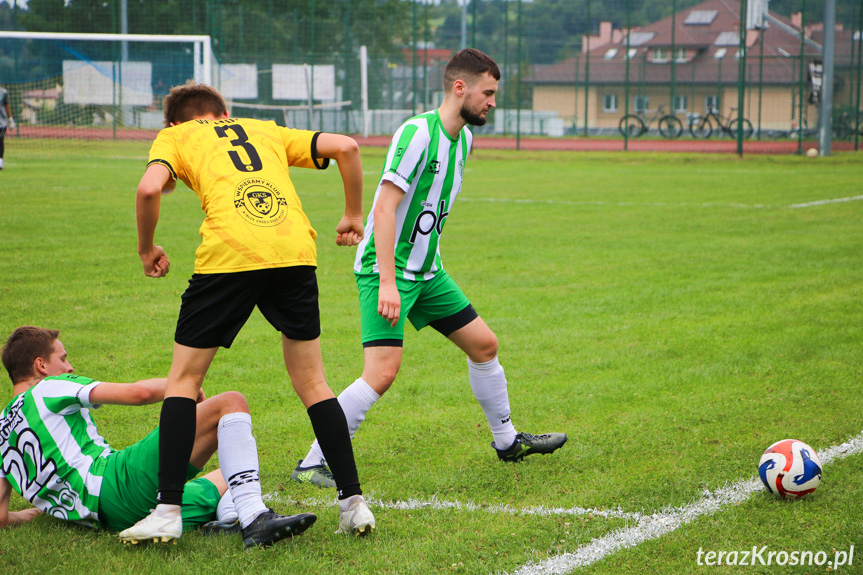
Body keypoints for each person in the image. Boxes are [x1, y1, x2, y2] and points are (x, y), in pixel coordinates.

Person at [291, 49, 567, 489]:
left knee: (484, 345)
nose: (492, 102)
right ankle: (313, 462)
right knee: (380, 373)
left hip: (428, 272)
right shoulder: (417, 133)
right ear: (460, 88)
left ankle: (507, 442)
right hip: (389, 271)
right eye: (488, 93)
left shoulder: (465, 140)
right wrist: (386, 281)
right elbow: (384, 210)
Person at [126, 82, 374, 542]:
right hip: (294, 250)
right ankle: (354, 503)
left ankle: (166, 511)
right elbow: (347, 146)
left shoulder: (176, 137)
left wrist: (147, 250)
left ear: (175, 122)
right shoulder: (263, 129)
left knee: (184, 381)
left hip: (230, 254)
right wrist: (353, 215)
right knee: (314, 383)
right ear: (225, 113)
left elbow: (147, 189)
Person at [0, 326, 316, 549]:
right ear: (40, 366)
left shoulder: (1, 429)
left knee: (228, 474)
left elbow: (1, 517)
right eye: (63, 359)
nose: (70, 367)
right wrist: (182, 386)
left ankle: (231, 519)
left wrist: (28, 513)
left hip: (106, 517)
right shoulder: (47, 388)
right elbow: (138, 393)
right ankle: (255, 520)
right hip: (114, 483)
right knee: (230, 403)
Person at [0, 84, 11, 170]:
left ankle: (0, 163)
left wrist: (10, 119)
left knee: (0, 141)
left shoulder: (3, 92)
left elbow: (7, 106)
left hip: (2, 122)